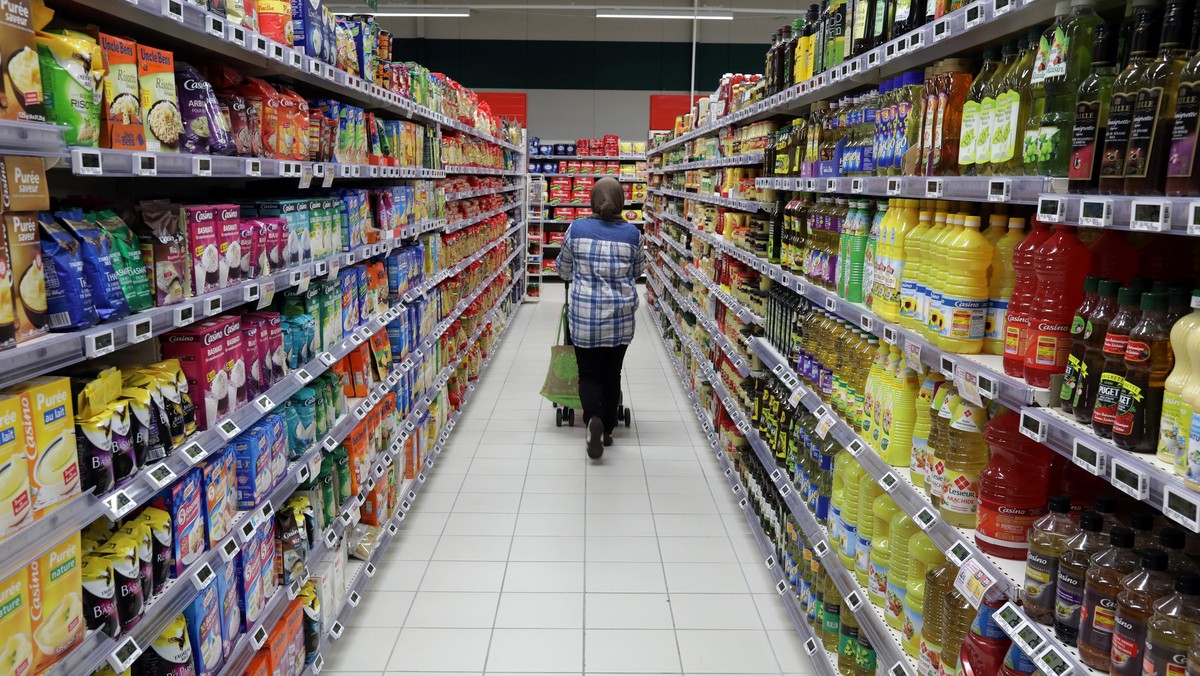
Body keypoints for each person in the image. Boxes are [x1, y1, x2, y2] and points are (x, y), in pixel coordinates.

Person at [556, 176, 645, 459]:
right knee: (612, 373)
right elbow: (637, 272)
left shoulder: (577, 228)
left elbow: (563, 269)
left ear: (593, 199)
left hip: (584, 319)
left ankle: (592, 418)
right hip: (620, 320)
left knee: (589, 373)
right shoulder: (633, 234)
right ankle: (606, 429)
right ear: (620, 201)